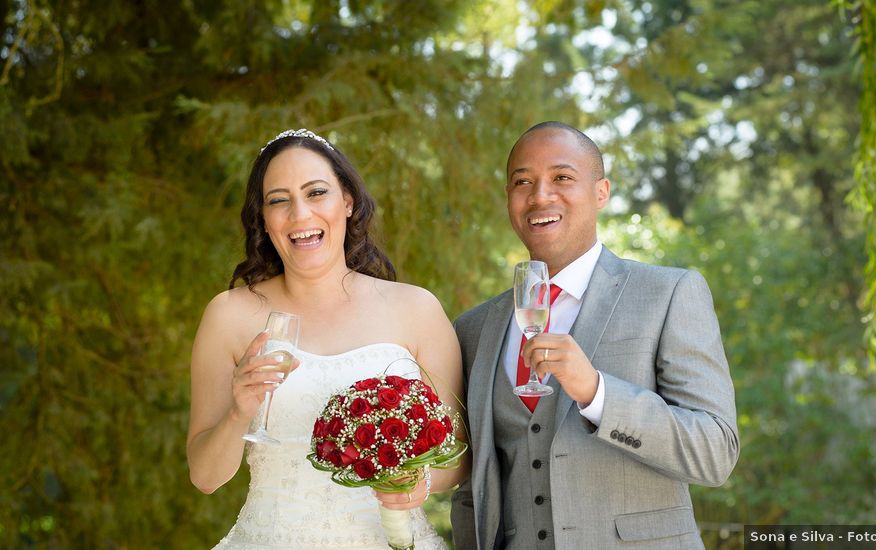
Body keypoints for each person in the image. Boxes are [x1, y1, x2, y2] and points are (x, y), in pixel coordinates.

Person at [450, 121, 739, 550]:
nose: (540, 196)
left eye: (562, 178)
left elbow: (715, 453)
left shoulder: (669, 293)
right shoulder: (473, 329)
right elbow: (474, 485)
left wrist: (598, 394)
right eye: (522, 182)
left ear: (601, 192)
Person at [187, 129, 466, 549]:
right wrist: (238, 412)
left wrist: (416, 482)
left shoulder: (417, 309)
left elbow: (459, 453)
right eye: (279, 200)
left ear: (348, 201)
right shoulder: (228, 315)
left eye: (316, 192)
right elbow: (205, 477)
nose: (300, 215)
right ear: (263, 217)